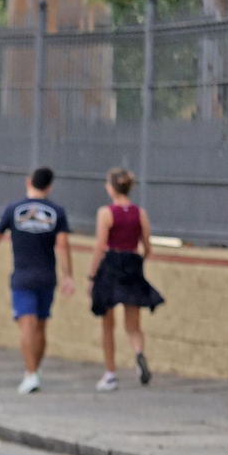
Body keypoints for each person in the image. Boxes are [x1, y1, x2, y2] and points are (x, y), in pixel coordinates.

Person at [0, 166, 75, 394]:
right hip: (46, 276)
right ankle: (35, 370)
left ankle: (31, 374)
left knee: (26, 325)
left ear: (28, 182)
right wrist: (68, 275)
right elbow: (62, 245)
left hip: (22, 275)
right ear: (50, 187)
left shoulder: (14, 209)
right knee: (41, 326)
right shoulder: (57, 212)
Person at [86, 167, 164, 391]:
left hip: (112, 264)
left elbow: (100, 245)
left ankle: (110, 374)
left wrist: (92, 275)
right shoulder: (140, 213)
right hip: (132, 263)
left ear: (111, 187)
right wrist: (141, 259)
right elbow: (147, 245)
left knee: (107, 322)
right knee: (133, 324)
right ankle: (139, 354)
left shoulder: (106, 213)